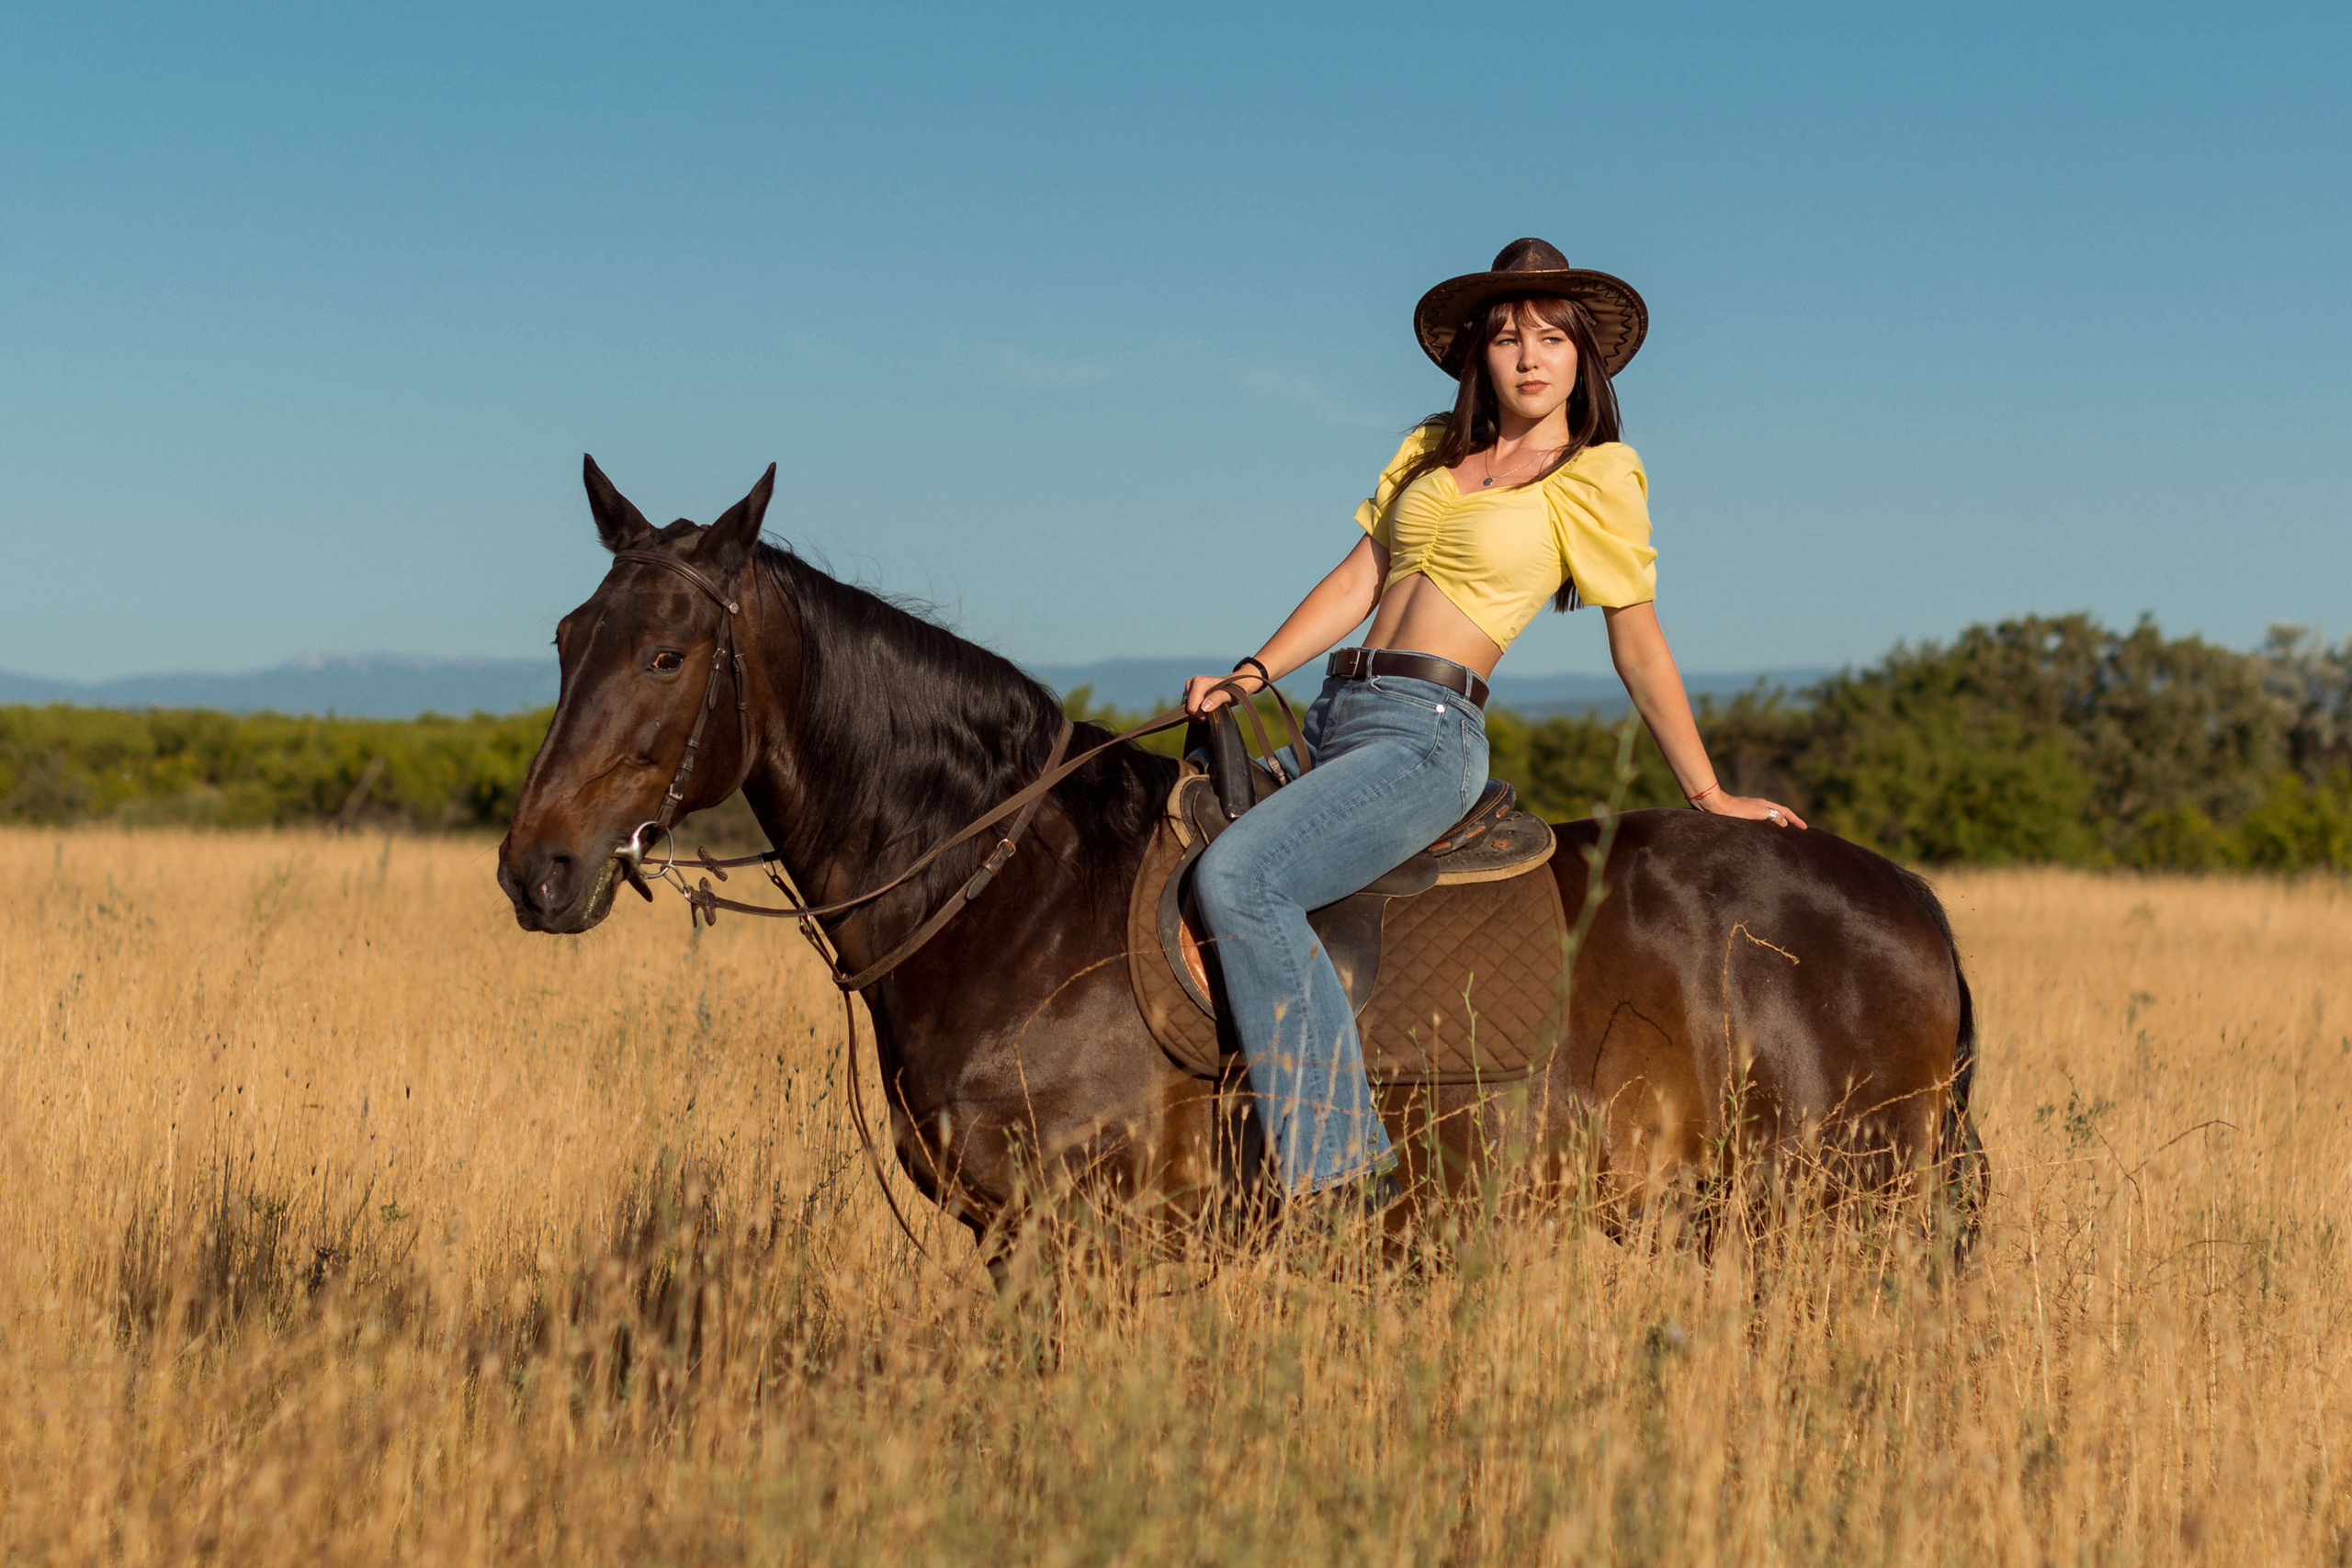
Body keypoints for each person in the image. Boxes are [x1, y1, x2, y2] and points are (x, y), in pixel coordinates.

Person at [1183, 237, 1807, 1205]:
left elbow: (1636, 642)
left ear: (1581, 362)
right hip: (1329, 716)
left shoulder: (1593, 478)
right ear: (1478, 355)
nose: (1529, 356)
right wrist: (1252, 669)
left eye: (1552, 339)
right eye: (1509, 337)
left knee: (1243, 877)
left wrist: (1707, 790)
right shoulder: (1431, 451)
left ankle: (1334, 1171)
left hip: (1421, 734)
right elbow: (1360, 578)